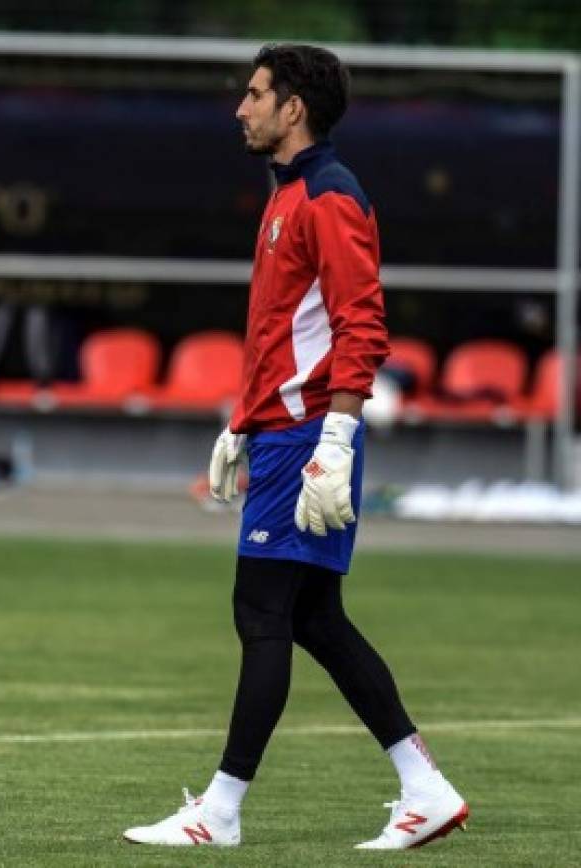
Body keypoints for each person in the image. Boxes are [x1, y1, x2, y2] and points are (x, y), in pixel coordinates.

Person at [123, 45, 468, 850]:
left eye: (253, 95)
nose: (240, 109)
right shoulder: (287, 195)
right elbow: (286, 331)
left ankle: (220, 812)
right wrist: (242, 419)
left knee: (262, 610)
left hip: (309, 435)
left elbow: (361, 325)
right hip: (283, 429)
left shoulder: (327, 195)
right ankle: (427, 787)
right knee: (314, 617)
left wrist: (335, 442)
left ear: (294, 108)